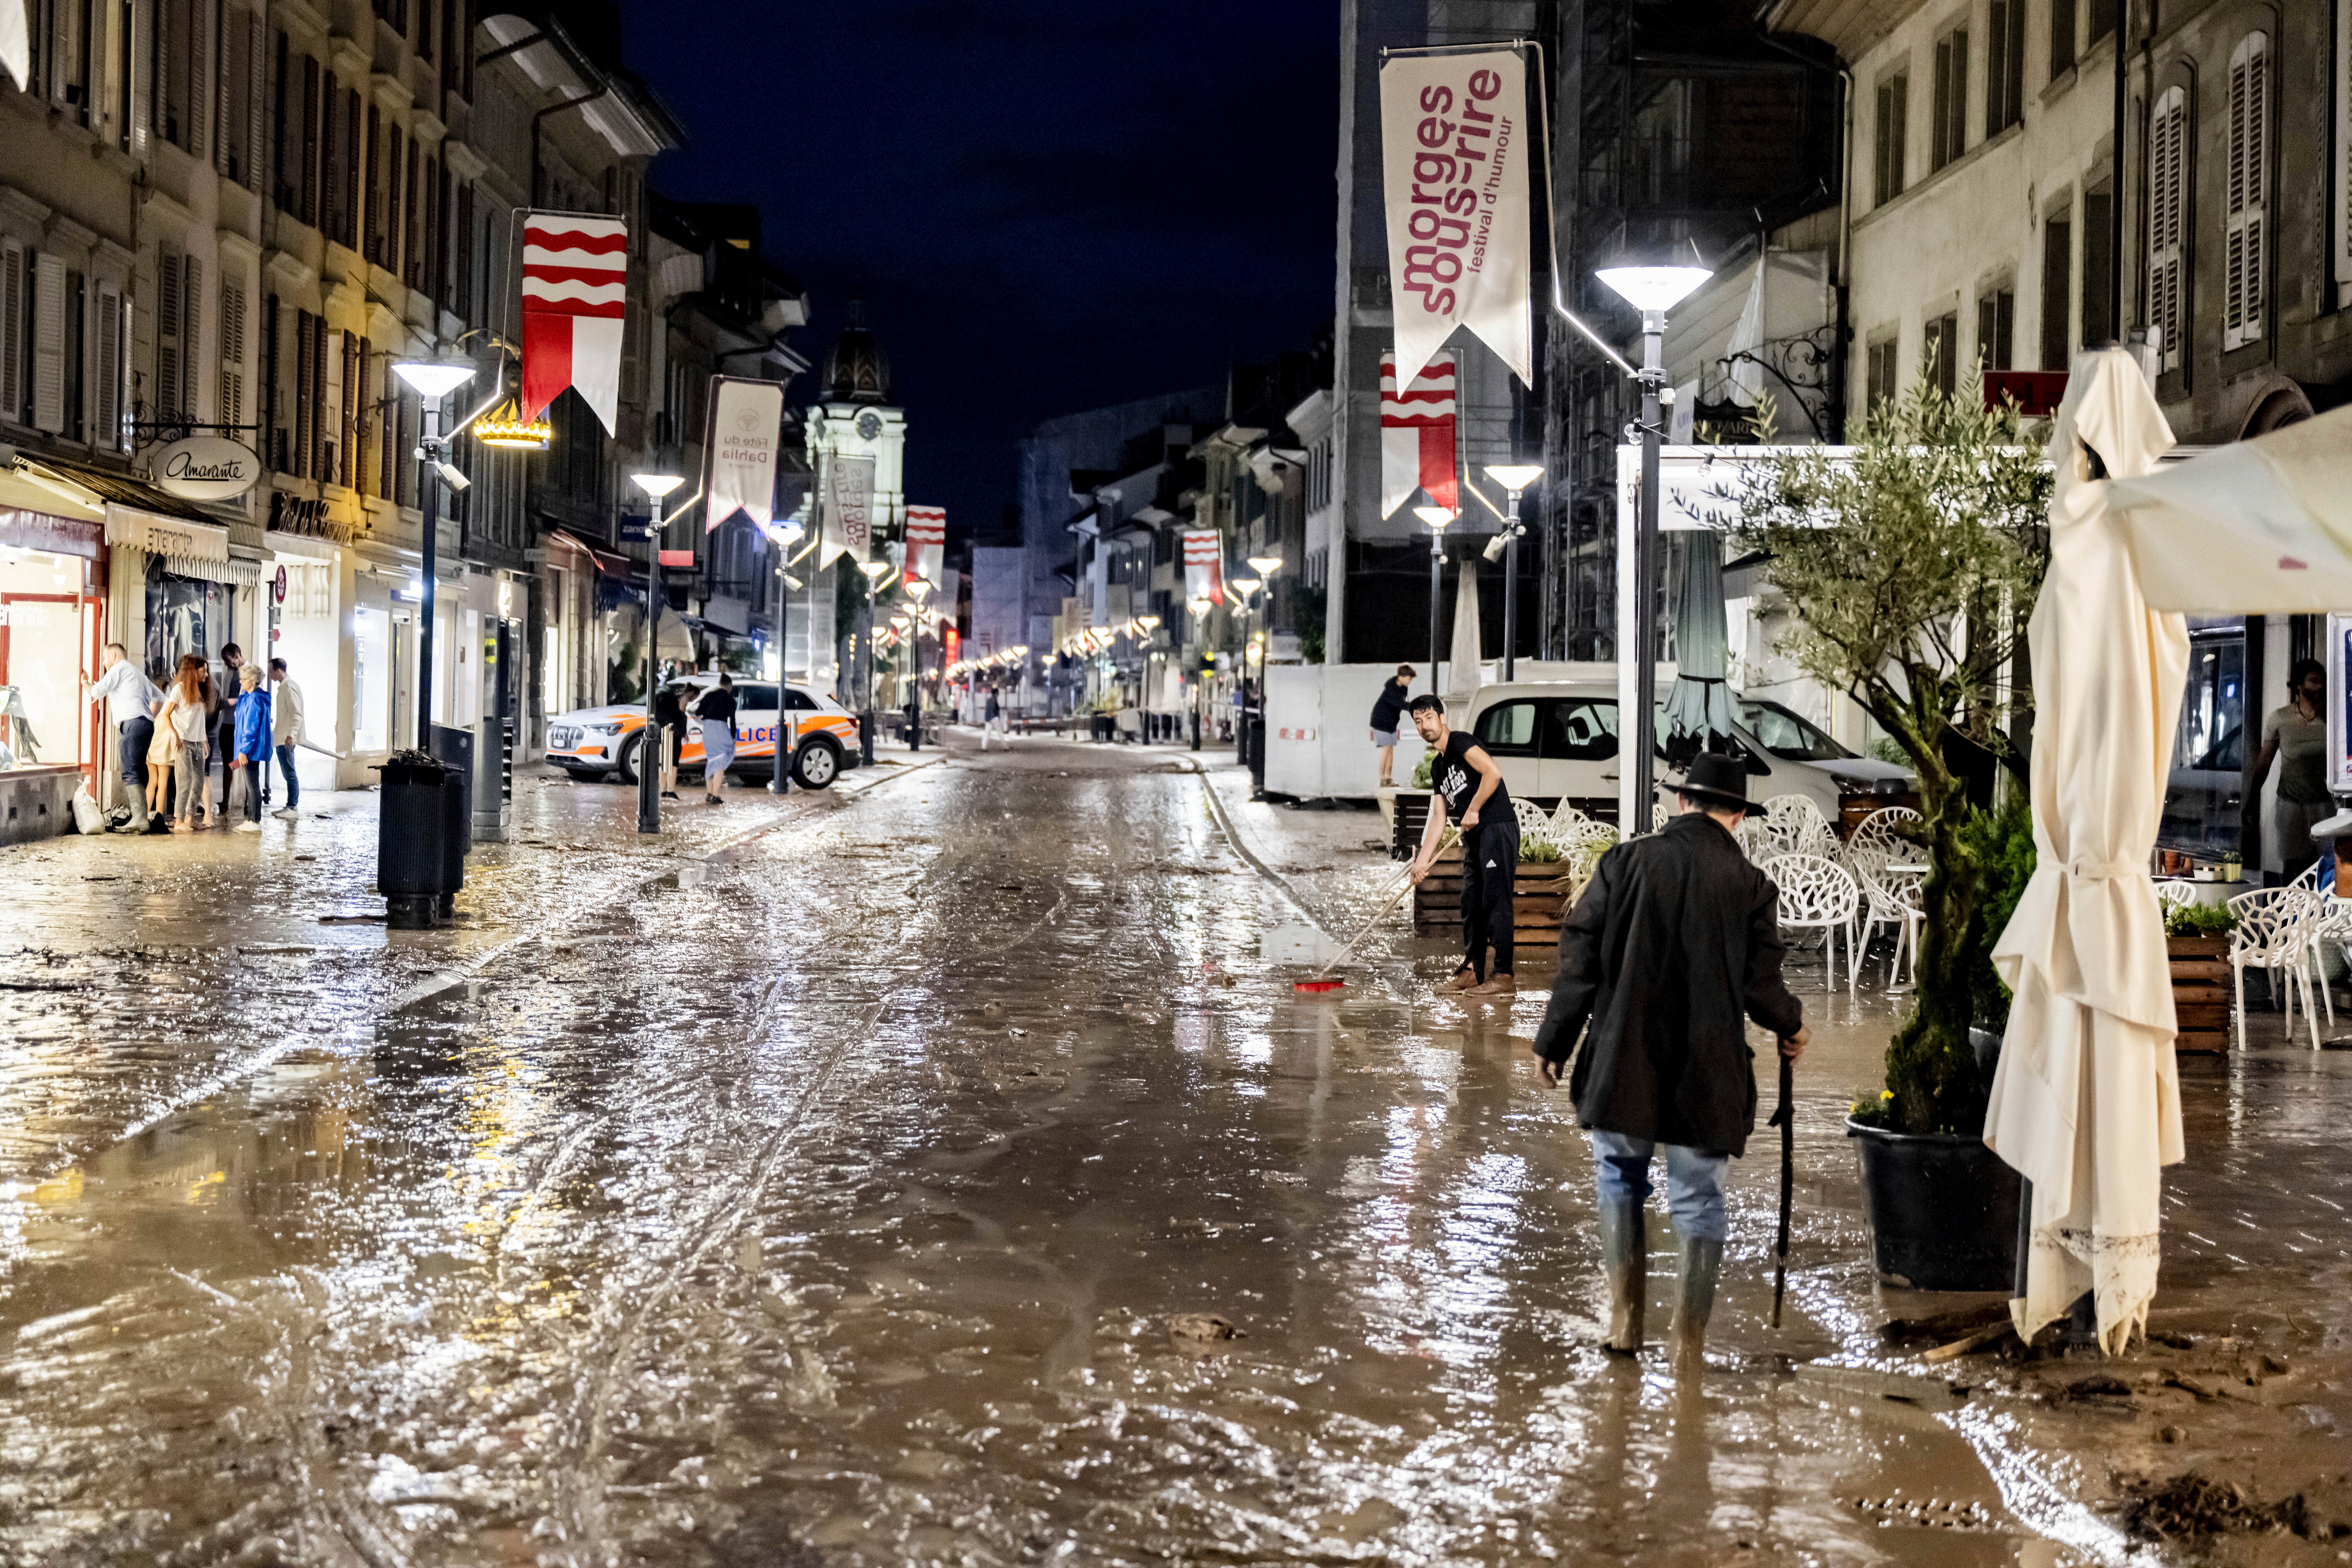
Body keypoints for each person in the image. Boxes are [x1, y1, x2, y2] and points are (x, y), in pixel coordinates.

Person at [1531, 753, 1810, 1371]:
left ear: (1681, 802)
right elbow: (1760, 987)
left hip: (1621, 1062)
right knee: (1698, 1199)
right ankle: (1687, 1341)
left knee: (1617, 1180)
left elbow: (1579, 958)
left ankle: (1625, 1321)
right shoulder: (1750, 886)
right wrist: (1791, 1026)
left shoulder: (1623, 862)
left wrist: (1552, 1040)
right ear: (1736, 815)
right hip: (1704, 1074)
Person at [1406, 694, 1518, 997]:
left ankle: (1504, 975)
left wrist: (1474, 807)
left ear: (1442, 718)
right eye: (1417, 721)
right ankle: (1472, 970)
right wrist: (1422, 862)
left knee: (1496, 901)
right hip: (1475, 836)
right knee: (1471, 903)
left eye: (1428, 717)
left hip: (1496, 827)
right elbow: (1438, 817)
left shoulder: (1459, 742)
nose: (1424, 725)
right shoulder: (1437, 768)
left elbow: (1492, 773)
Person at [2254, 657, 2331, 884]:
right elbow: (2263, 763)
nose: (2319, 686)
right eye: (2313, 681)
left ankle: (2318, 914)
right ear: (2299, 685)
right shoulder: (2280, 718)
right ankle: (2288, 915)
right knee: (2293, 865)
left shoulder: (2331, 718)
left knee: (2324, 863)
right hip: (2291, 805)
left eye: (2322, 681)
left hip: (2324, 803)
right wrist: (2250, 802)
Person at [87, 643, 162, 831]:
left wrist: (84, 682)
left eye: (105, 658)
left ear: (113, 656)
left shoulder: (118, 669)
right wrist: (150, 716)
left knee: (130, 771)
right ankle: (141, 818)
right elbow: (160, 698)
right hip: (146, 724)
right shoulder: (139, 674)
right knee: (137, 769)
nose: (105, 663)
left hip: (133, 724)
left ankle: (140, 820)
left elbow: (96, 692)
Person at [156, 656, 213, 832]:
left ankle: (190, 818)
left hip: (197, 742)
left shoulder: (200, 690)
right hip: (183, 742)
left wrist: (205, 740)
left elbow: (200, 719)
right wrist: (175, 735)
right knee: (184, 782)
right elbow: (166, 715)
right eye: (203, 671)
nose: (207, 674)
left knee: (198, 782)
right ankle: (179, 820)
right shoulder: (179, 690)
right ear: (193, 672)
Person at [225, 665, 271, 831]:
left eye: (243, 679)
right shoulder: (252, 697)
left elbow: (250, 729)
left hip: (250, 750)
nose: (240, 682)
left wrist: (243, 750)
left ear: (252, 681)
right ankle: (252, 819)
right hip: (251, 749)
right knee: (252, 785)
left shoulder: (253, 700)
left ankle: (254, 821)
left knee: (252, 786)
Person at [268, 657, 305, 819]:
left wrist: (291, 735)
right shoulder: (285, 688)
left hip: (286, 739)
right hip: (283, 737)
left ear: (279, 670)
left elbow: (297, 714)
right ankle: (291, 806)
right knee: (288, 773)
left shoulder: (289, 688)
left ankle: (292, 807)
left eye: (271, 671)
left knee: (290, 773)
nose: (270, 675)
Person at [1369, 664, 1415, 789]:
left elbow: (1402, 704)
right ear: (1401, 677)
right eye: (1408, 679)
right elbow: (1398, 704)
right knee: (1386, 749)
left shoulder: (1404, 689)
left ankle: (1388, 777)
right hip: (1381, 721)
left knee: (1391, 750)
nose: (1410, 681)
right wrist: (1413, 707)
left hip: (1391, 722)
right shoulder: (1391, 688)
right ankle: (1382, 778)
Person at [211, 643, 244, 818]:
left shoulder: (250, 671)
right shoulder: (229, 672)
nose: (225, 664)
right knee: (227, 762)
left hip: (241, 723)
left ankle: (248, 800)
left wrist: (234, 701)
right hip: (227, 723)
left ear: (236, 655)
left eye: (227, 660)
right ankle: (226, 801)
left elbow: (252, 696)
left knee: (244, 761)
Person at [694, 675, 738, 804]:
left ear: (720, 683)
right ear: (729, 686)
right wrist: (733, 736)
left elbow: (698, 712)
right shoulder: (730, 700)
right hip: (721, 730)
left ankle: (709, 793)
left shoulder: (709, 696)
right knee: (721, 762)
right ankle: (716, 795)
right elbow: (733, 720)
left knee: (712, 760)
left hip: (708, 730)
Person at [650, 682, 687, 801]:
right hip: (673, 732)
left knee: (664, 764)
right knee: (673, 764)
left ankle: (664, 791)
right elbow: (679, 718)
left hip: (664, 731)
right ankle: (671, 791)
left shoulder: (661, 699)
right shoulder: (675, 701)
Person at [982, 685, 1003, 751]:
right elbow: (996, 710)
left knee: (987, 733)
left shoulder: (989, 700)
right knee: (1000, 732)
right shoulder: (995, 700)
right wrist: (998, 718)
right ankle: (1005, 747)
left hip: (988, 719)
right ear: (997, 693)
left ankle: (984, 747)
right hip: (994, 718)